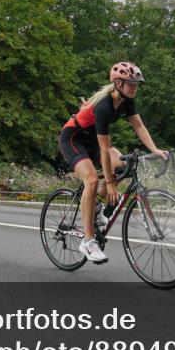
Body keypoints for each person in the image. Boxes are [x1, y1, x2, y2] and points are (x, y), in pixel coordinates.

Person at [58, 61, 169, 264]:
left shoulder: (127, 101)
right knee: (91, 180)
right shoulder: (103, 106)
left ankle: (97, 205)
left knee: (122, 164)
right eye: (131, 84)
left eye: (136, 84)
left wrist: (155, 149)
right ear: (118, 84)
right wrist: (109, 183)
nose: (135, 88)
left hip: (92, 140)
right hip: (73, 138)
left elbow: (139, 126)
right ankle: (88, 241)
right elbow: (103, 148)